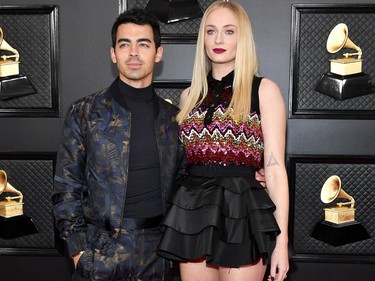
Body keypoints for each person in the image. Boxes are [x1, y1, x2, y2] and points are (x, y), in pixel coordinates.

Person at [157, 1, 289, 281]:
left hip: (242, 213)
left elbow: (275, 170)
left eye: (229, 31)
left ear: (242, 37)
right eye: (211, 31)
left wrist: (282, 243)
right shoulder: (188, 97)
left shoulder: (264, 90)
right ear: (202, 37)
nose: (218, 39)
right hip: (193, 212)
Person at [51, 8, 186, 281]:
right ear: (113, 53)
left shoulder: (175, 119)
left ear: (158, 53)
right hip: (100, 252)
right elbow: (66, 188)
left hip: (159, 255)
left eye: (143, 44)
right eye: (125, 44)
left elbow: (188, 182)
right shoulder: (85, 112)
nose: (133, 53)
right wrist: (80, 255)